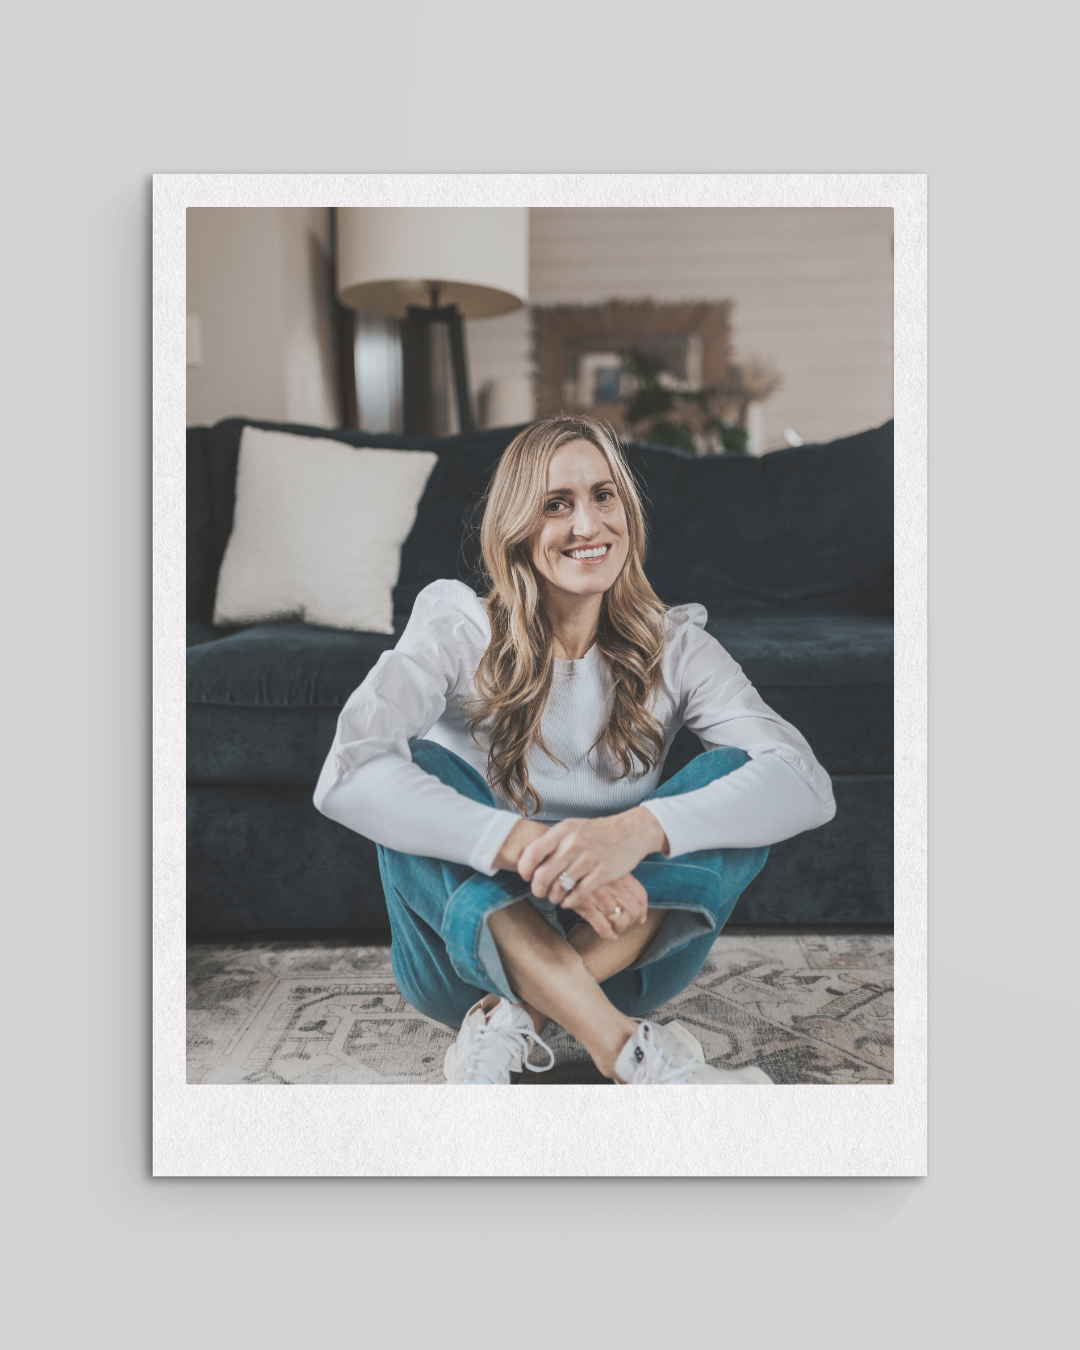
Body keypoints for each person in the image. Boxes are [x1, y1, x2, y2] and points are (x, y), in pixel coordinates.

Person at [314, 416, 835, 1085]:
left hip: (627, 953)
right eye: (556, 504)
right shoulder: (456, 629)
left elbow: (804, 783)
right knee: (414, 765)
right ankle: (629, 1052)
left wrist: (633, 834)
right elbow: (347, 771)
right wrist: (530, 846)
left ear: (628, 512)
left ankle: (511, 1023)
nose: (588, 525)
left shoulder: (676, 647)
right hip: (461, 959)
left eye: (603, 496)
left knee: (740, 779)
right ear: (516, 528)